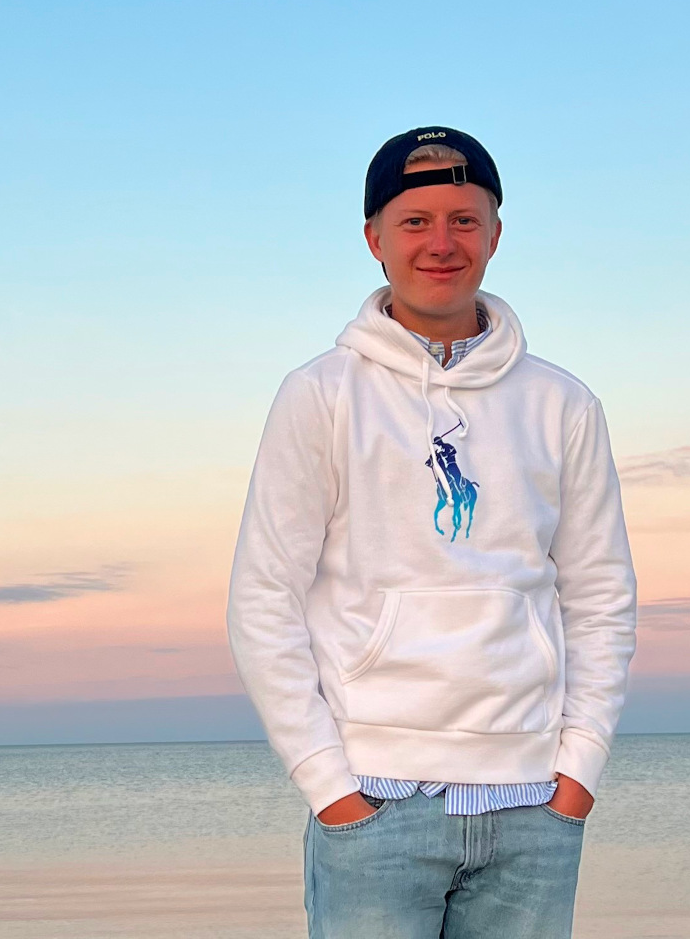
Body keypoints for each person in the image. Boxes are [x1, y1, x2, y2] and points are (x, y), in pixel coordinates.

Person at [225, 125, 638, 938]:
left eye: (463, 217)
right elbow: (262, 597)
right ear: (375, 237)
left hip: (530, 808)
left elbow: (600, 595)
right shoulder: (321, 395)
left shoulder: (563, 404)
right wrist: (330, 786)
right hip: (377, 801)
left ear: (494, 232)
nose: (441, 242)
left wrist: (577, 772)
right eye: (415, 221)